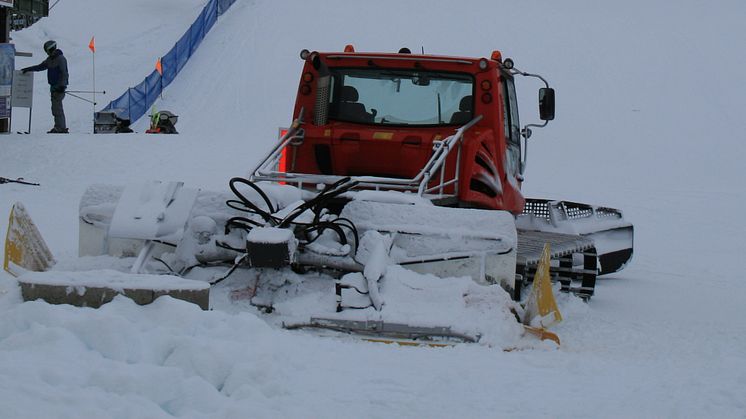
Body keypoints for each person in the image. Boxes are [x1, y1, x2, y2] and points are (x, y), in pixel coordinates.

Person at [21, 40, 69, 133]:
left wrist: (62, 86)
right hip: (53, 88)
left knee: (57, 108)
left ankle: (60, 128)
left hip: (59, 88)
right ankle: (59, 126)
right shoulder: (50, 59)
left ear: (51, 49)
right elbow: (40, 67)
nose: (48, 53)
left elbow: (64, 73)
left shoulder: (60, 59)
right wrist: (29, 69)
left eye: (48, 51)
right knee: (55, 108)